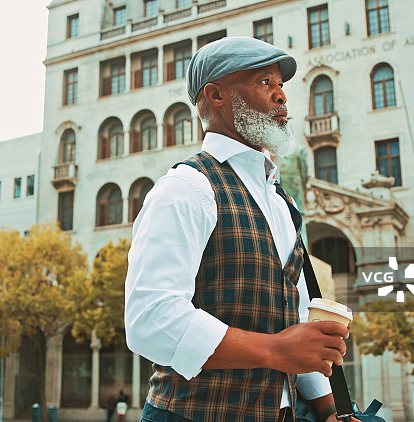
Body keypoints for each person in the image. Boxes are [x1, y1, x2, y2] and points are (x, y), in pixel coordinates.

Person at [124, 36, 352, 422]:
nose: (281, 97)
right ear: (215, 96)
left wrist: (332, 411)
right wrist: (276, 351)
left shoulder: (283, 201)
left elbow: (292, 321)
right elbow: (150, 320)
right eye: (265, 83)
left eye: (280, 85)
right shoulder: (185, 189)